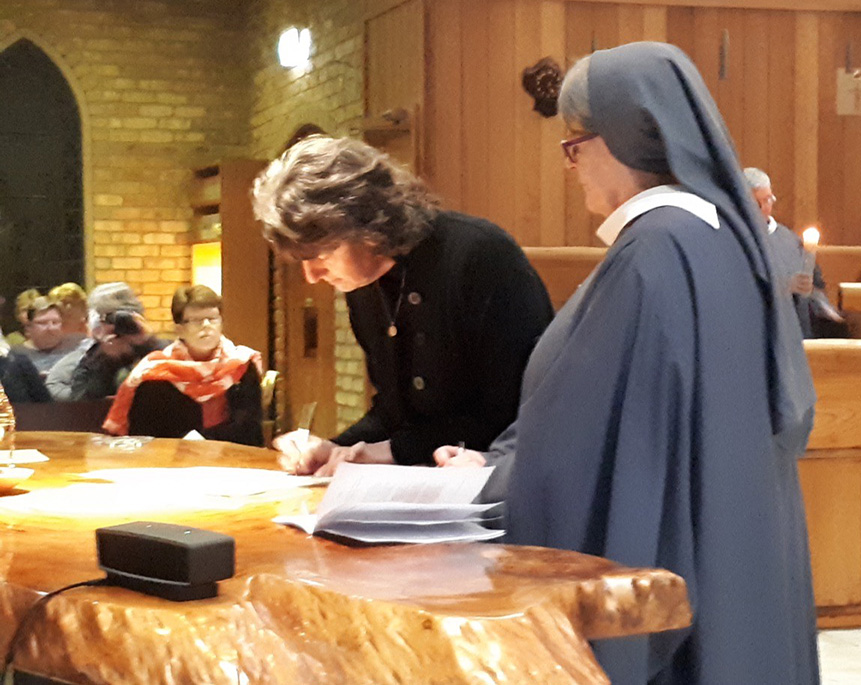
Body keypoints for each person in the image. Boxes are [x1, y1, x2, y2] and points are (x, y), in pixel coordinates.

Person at [435, 42, 818, 684]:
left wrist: (486, 480)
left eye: (573, 145)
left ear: (624, 139)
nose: (569, 165)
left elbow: (591, 442)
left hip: (669, 565)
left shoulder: (655, 253)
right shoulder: (717, 238)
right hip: (728, 546)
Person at [252, 135, 553, 473]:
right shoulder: (365, 285)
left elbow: (515, 414)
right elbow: (394, 415)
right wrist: (334, 447)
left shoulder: (479, 256)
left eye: (321, 255)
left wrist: (393, 451)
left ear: (366, 222)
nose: (312, 276)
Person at [103, 285, 263, 445]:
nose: (206, 326)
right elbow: (144, 439)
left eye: (213, 319)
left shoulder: (241, 366)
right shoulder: (154, 375)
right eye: (196, 321)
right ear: (179, 329)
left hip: (233, 462)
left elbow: (252, 433)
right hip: (170, 463)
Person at [744, 167, 843, 338]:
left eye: (767, 200)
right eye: (755, 204)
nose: (763, 208)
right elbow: (737, 291)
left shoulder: (790, 241)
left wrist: (820, 302)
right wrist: (784, 288)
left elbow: (815, 287)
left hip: (796, 334)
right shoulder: (732, 239)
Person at [45, 282, 167, 401]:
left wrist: (147, 344)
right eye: (110, 319)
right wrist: (106, 362)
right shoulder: (93, 359)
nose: (118, 325)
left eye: (125, 319)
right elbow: (80, 405)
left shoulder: (163, 352)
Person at [13, 297, 76, 377]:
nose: (50, 328)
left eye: (55, 322)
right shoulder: (15, 355)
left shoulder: (76, 347)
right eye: (42, 323)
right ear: (28, 327)